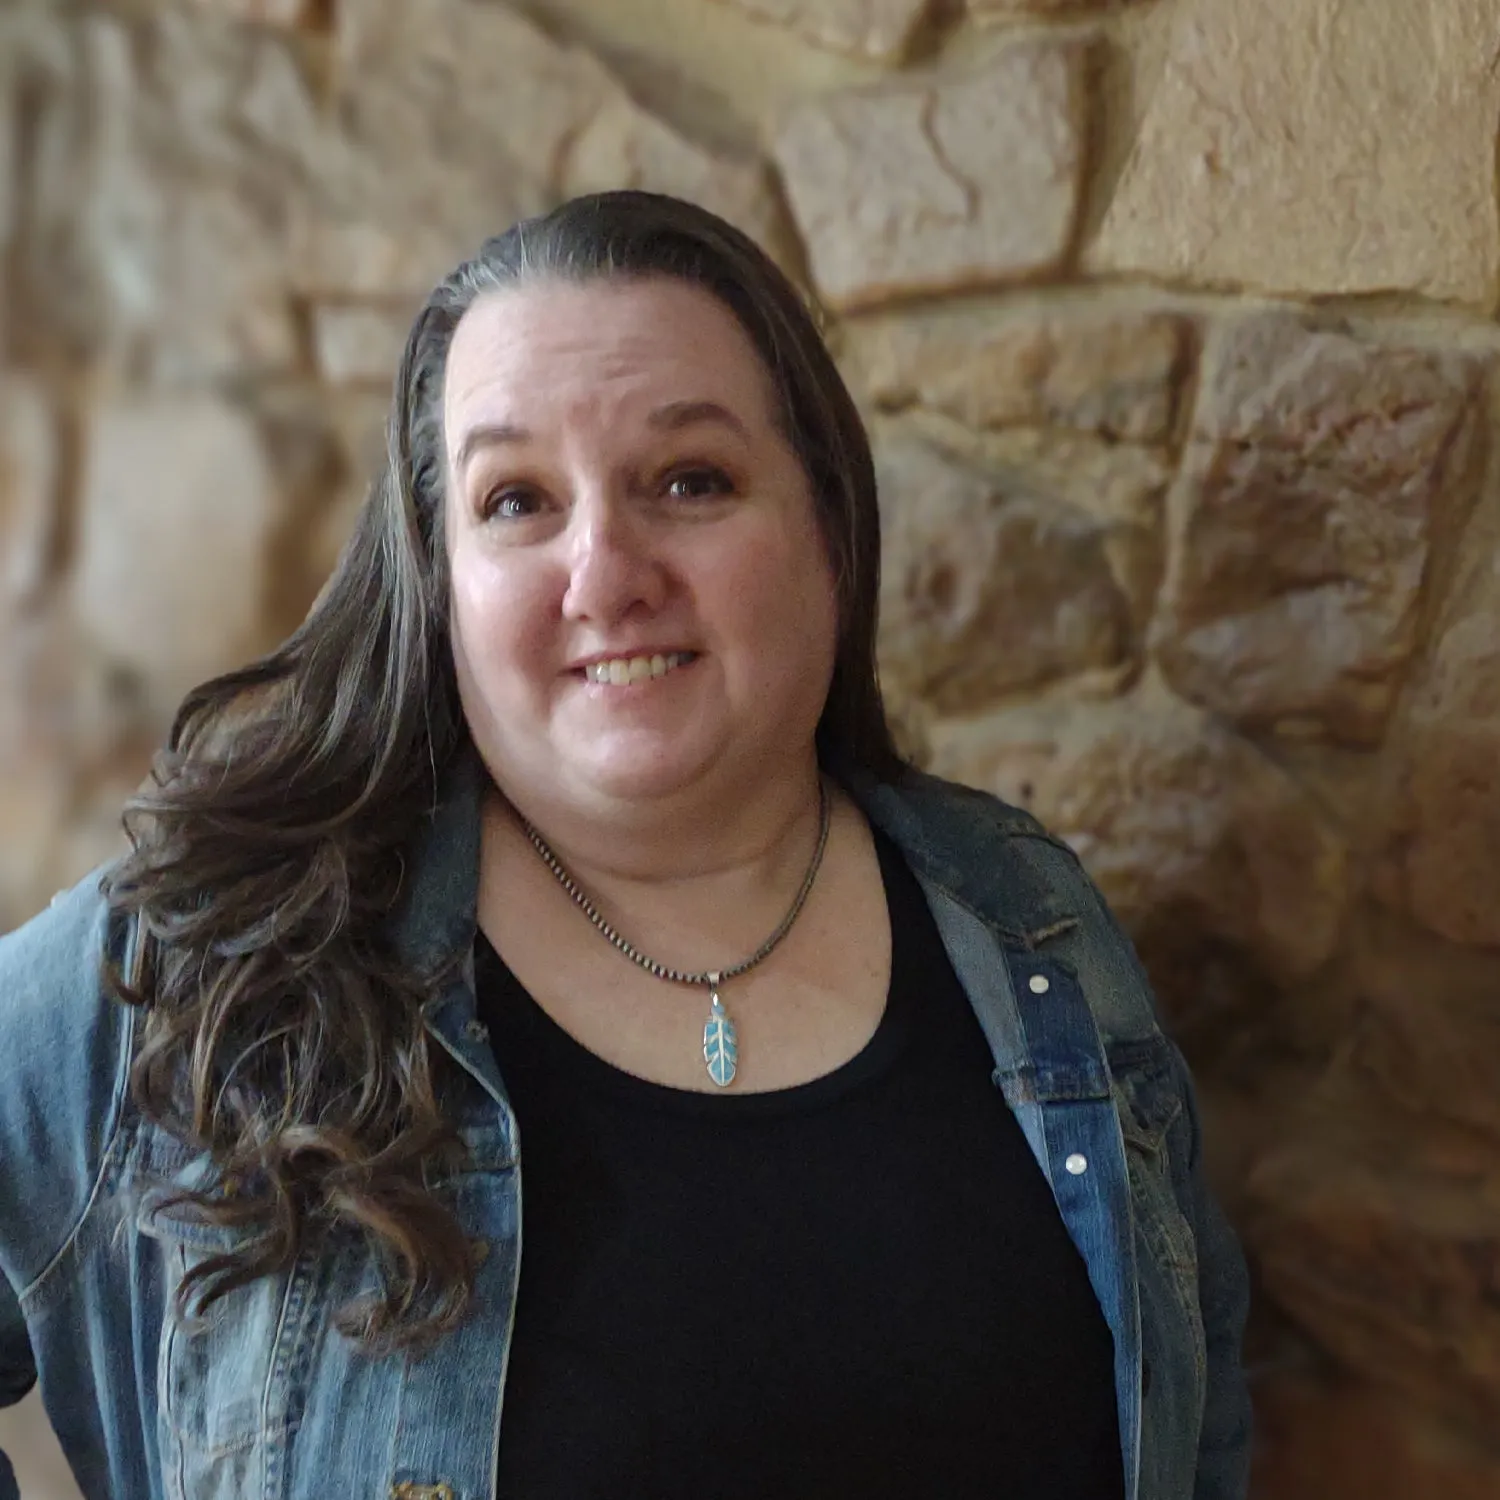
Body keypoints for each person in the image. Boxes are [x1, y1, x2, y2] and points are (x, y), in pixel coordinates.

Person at [0, 190, 1250, 1500]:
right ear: (439, 580)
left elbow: (1194, 1407)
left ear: (827, 528)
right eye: (518, 500)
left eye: (689, 480)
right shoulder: (210, 960)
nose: (604, 571)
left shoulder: (1029, 925)